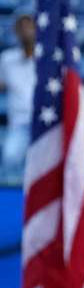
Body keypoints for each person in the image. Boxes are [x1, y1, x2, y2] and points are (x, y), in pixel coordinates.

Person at [0, 14, 36, 182]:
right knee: (10, 156)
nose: (26, 31)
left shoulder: (48, 58)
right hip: (19, 123)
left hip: (44, 122)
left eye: (29, 26)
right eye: (21, 27)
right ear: (16, 32)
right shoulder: (7, 59)